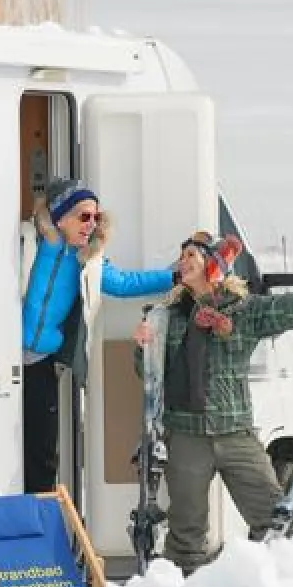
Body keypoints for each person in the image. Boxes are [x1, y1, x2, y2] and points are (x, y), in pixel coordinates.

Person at [132, 230, 293, 575]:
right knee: (186, 535)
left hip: (237, 435)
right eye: (182, 256)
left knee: (273, 518)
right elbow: (149, 375)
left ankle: (276, 586)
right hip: (186, 437)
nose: (182, 262)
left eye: (192, 256)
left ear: (214, 266)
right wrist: (143, 347)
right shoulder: (168, 316)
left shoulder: (244, 312)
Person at [21, 178, 175, 494]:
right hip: (2, 362)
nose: (91, 224)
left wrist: (174, 277)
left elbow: (125, 283)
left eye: (96, 217)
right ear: (60, 218)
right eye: (84, 216)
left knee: (41, 451)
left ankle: (38, 516)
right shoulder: (30, 244)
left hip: (39, 364)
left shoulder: (87, 261)